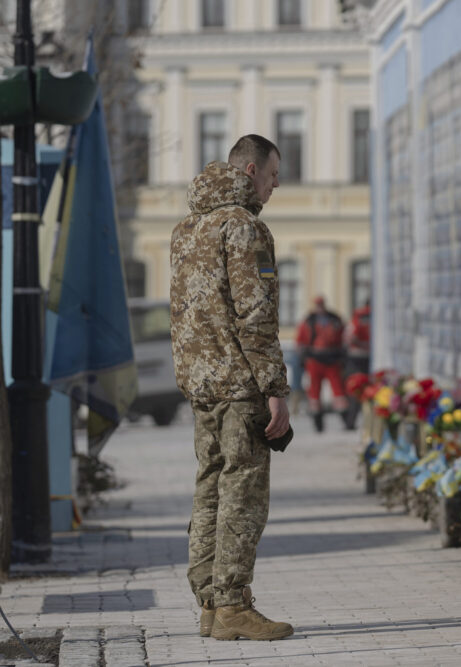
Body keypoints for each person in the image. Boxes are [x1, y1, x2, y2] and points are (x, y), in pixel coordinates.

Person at [170, 134, 293, 641]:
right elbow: (255, 314)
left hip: (201, 384)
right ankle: (233, 605)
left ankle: (209, 603)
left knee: (210, 489)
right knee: (243, 494)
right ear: (248, 171)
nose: (275, 186)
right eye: (271, 175)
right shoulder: (243, 228)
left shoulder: (186, 229)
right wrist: (276, 389)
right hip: (240, 383)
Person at [296, 296, 348, 432]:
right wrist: (302, 358)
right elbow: (300, 341)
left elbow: (343, 338)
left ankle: (346, 421)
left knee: (338, 391)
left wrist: (343, 356)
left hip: (332, 360)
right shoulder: (308, 321)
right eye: (317, 305)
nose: (319, 307)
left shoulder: (335, 319)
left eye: (321, 304)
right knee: (314, 393)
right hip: (314, 360)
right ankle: (318, 424)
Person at [342, 300, 371, 430]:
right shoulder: (376, 315)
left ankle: (350, 422)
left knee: (355, 388)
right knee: (371, 390)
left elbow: (349, 337)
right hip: (370, 357)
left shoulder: (358, 316)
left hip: (355, 357)